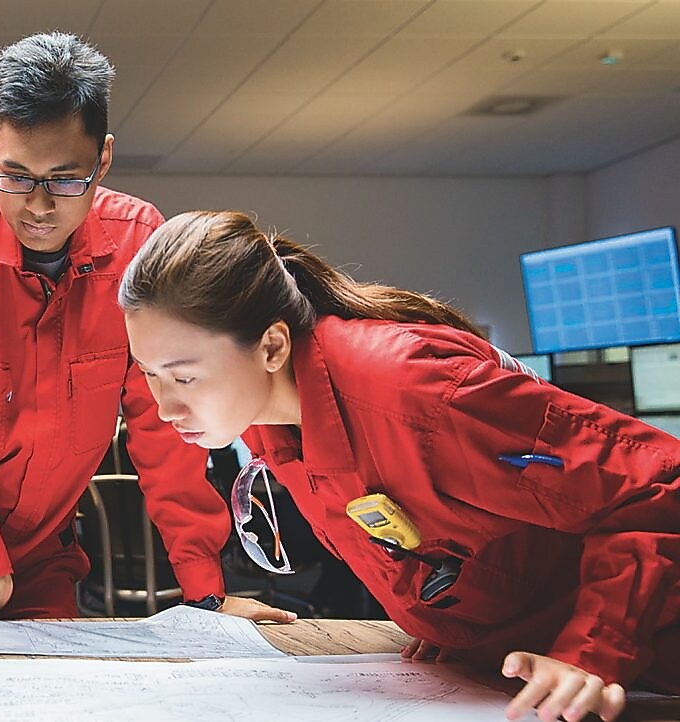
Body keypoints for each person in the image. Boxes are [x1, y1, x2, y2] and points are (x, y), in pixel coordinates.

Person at [119, 209, 679, 722]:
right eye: (148, 373)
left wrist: (592, 651)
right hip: (501, 671)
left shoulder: (414, 393)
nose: (165, 407)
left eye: (184, 376)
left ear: (271, 347)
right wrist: (453, 622)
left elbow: (655, 487)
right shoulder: (272, 421)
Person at [0, 32, 295, 625]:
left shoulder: (138, 245)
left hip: (42, 550)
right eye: (15, 176)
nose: (39, 206)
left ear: (104, 159)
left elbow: (164, 427)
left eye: (66, 180)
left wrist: (205, 590)